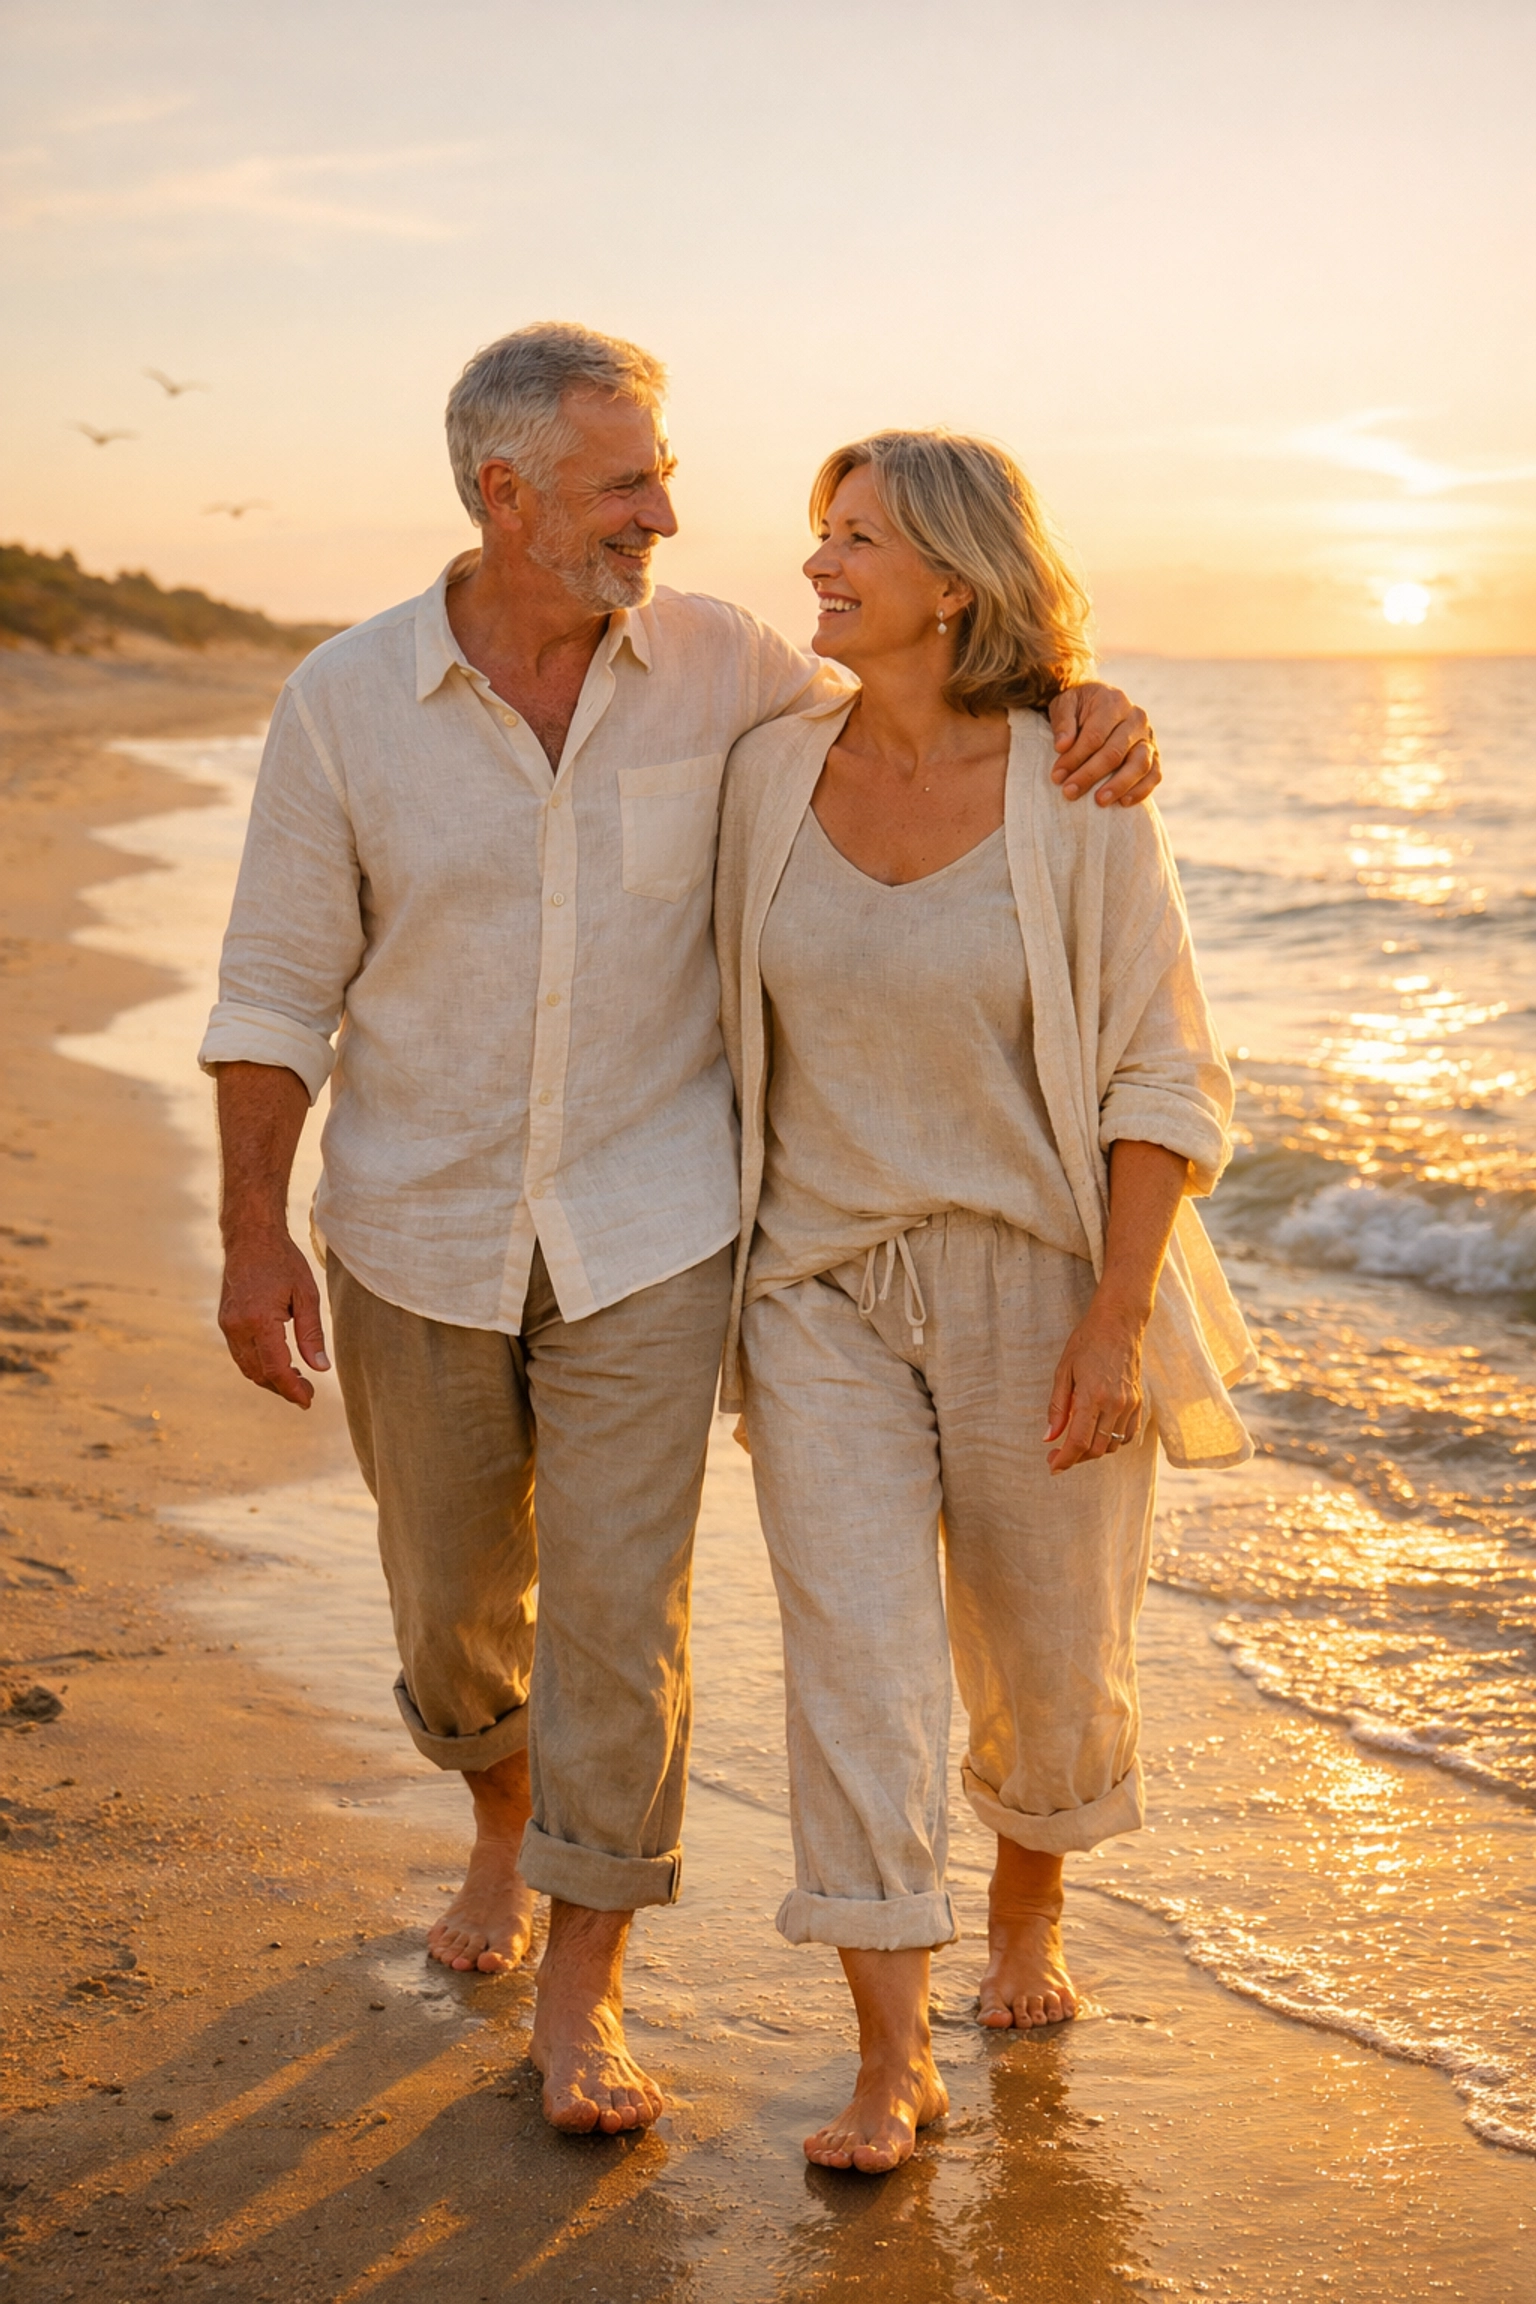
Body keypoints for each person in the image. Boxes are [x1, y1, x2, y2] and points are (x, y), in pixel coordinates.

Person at [199, 325, 1159, 2139]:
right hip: (413, 1222)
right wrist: (257, 1237)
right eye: (628, 480)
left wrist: (1090, 710)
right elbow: (269, 993)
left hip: (657, 1228)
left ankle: (586, 1989)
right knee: (458, 1618)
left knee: (622, 1619)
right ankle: (499, 1812)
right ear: (509, 493)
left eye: (663, 472)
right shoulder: (342, 705)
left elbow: (939, 720)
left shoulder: (719, 661)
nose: (669, 511)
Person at [715, 428, 1255, 2174]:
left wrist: (1114, 1321)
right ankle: (889, 2050)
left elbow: (1166, 1076)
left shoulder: (1079, 790)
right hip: (818, 1289)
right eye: (820, 535)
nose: (817, 567)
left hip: (1038, 1280)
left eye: (855, 540)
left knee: (1048, 1649)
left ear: (953, 579)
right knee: (856, 1665)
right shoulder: (759, 767)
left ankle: (1029, 1911)